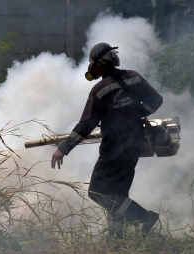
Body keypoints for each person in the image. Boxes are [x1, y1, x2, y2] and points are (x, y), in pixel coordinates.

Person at [51, 42, 162, 240]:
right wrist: (137, 113)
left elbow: (86, 125)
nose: (91, 68)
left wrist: (63, 149)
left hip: (113, 150)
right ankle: (116, 243)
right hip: (135, 144)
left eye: (92, 63)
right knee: (118, 196)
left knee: (98, 192)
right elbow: (156, 100)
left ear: (99, 65)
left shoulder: (100, 90)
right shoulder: (134, 77)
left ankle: (144, 217)